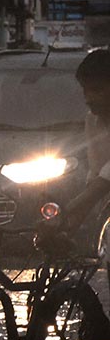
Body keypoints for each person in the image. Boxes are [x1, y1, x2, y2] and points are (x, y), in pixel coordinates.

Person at [39, 49, 110, 238]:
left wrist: (62, 213)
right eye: (85, 90)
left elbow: (104, 182)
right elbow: (95, 177)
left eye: (97, 90)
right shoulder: (93, 121)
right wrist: (70, 225)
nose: (89, 98)